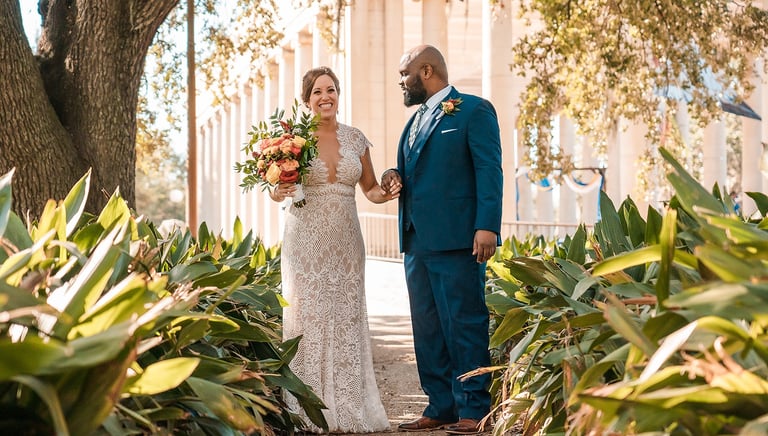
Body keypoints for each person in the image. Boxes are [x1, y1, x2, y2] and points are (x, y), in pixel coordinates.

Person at [380, 45, 503, 435]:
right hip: (416, 241)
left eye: (405, 74)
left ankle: (474, 409)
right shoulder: (414, 121)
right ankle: (440, 405)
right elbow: (413, 168)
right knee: (427, 327)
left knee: (464, 323)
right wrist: (391, 173)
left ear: (427, 70)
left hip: (458, 240)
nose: (401, 81)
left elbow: (489, 168)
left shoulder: (473, 110)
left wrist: (487, 225)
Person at [271, 66, 397, 433]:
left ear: (338, 94)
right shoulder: (291, 140)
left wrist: (389, 187)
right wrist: (276, 190)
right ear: (306, 99)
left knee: (345, 317)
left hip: (346, 242)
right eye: (317, 92)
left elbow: (371, 191)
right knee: (306, 318)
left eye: (331, 90)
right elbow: (275, 186)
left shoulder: (356, 139)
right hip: (304, 240)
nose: (325, 97)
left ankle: (347, 408)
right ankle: (307, 409)